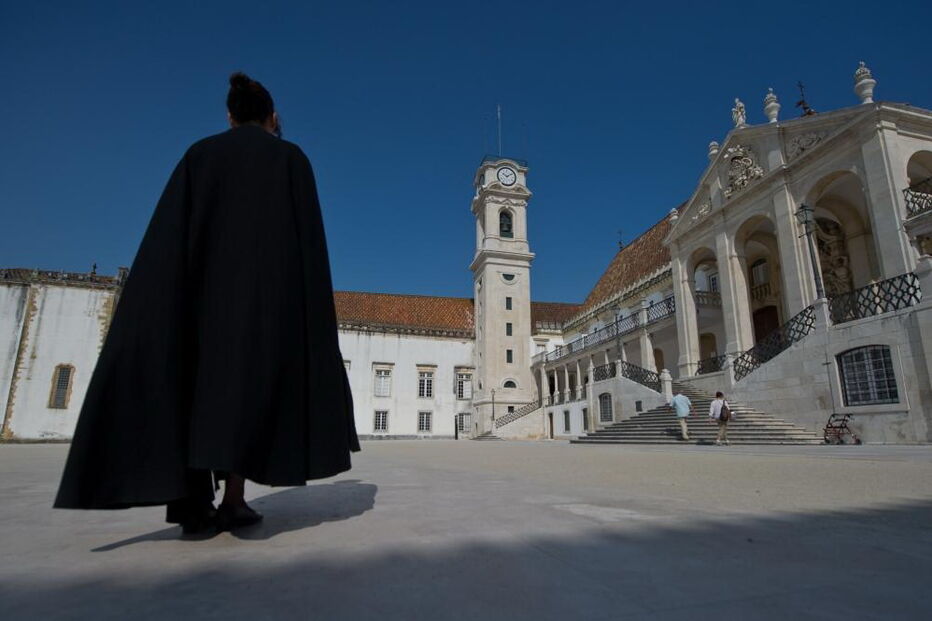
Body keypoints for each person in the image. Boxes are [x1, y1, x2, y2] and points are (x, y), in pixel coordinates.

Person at [54, 72, 360, 534]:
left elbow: (170, 232)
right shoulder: (291, 159)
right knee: (246, 392)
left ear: (231, 117)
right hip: (265, 303)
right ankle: (234, 500)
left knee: (194, 385)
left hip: (200, 297)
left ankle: (193, 504)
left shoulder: (200, 154)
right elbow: (309, 245)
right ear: (273, 118)